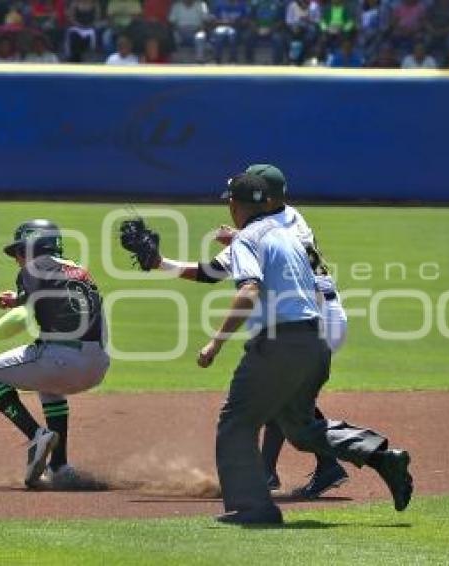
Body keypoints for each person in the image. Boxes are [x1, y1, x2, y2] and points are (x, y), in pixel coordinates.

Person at [126, 164, 353, 500]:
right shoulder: (287, 217)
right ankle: (283, 471)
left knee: (279, 394)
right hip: (321, 311)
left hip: (312, 315)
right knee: (283, 396)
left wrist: (161, 264)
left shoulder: (259, 229)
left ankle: (306, 465)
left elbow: (213, 272)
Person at [200, 174, 412, 524]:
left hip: (280, 343)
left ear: (235, 206)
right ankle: (381, 457)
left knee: (237, 421)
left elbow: (248, 290)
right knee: (301, 428)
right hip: (316, 340)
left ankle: (254, 508)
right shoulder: (289, 234)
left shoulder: (246, 241)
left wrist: (216, 342)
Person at [0, 220, 110, 489]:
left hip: (61, 359)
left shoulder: (32, 269)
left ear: (34, 248)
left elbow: (22, 317)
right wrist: (20, 297)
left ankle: (37, 435)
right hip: (97, 365)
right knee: (49, 388)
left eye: (20, 251)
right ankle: (60, 468)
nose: (17, 259)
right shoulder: (79, 271)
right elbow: (57, 297)